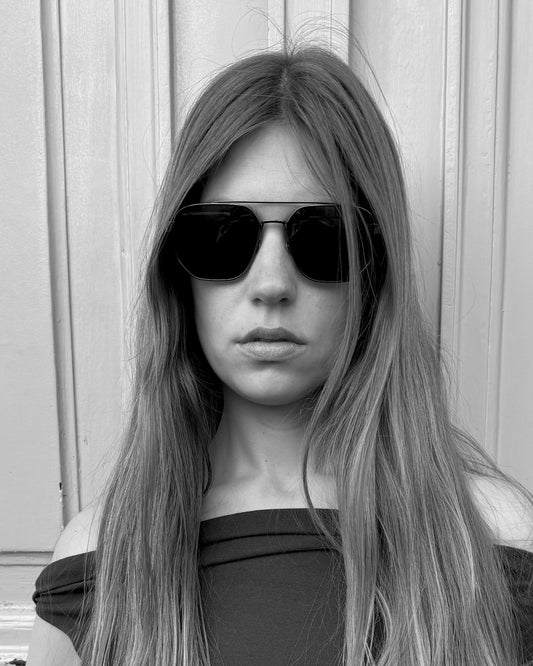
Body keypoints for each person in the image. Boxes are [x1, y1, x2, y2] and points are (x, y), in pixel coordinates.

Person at [27, 44, 533, 666]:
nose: (271, 284)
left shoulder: (491, 540)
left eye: (322, 238)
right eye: (222, 236)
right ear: (178, 274)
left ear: (374, 273)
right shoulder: (97, 560)